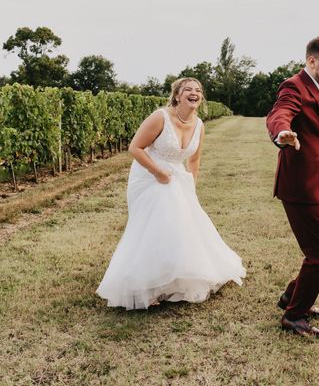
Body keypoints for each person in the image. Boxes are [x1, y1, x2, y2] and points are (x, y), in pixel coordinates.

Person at [97, 77, 245, 309]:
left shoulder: (199, 125)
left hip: (176, 176)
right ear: (177, 95)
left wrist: (191, 187)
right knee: (159, 223)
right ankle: (147, 286)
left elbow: (194, 159)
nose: (194, 93)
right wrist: (158, 173)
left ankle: (174, 278)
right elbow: (135, 148)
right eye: (188, 90)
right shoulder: (161, 117)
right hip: (149, 174)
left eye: (198, 90)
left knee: (182, 225)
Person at [266, 35, 319, 339]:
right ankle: (294, 316)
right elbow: (279, 113)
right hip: (301, 186)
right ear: (312, 61)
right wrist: (284, 132)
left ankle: (293, 296)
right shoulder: (293, 86)